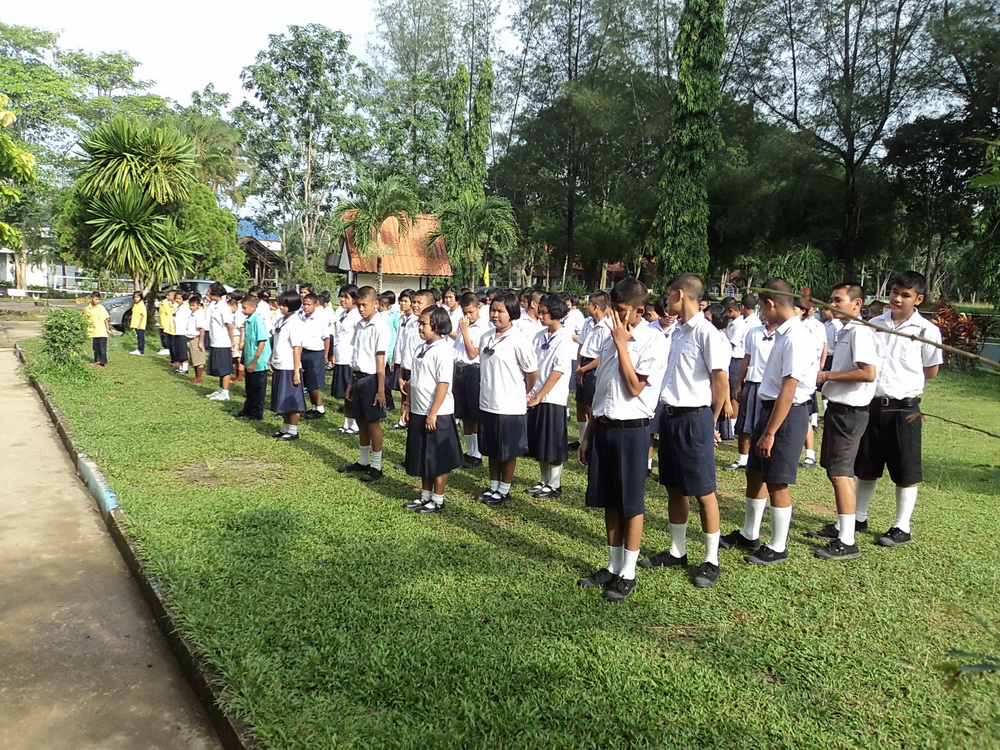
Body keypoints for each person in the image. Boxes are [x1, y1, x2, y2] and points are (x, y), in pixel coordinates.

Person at [810, 270, 942, 548]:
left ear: (918, 299)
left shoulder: (926, 331)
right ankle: (858, 517)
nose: (897, 299)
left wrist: (904, 382)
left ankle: (901, 525)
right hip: (870, 404)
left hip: (903, 406)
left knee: (905, 467)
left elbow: (931, 370)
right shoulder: (873, 325)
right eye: (894, 292)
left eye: (905, 295)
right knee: (866, 465)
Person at [577, 278, 668, 602]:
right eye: (613, 310)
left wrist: (621, 345)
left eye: (620, 310)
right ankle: (613, 565)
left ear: (639, 311)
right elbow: (603, 391)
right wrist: (588, 435)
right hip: (604, 426)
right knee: (609, 500)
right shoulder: (610, 337)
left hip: (632, 430)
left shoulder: (652, 341)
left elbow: (634, 387)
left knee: (630, 503)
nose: (614, 316)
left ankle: (628, 572)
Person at [640, 274, 730, 589]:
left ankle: (711, 559)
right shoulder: (676, 332)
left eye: (669, 295)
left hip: (695, 417)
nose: (666, 301)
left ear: (680, 295)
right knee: (674, 487)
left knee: (703, 491)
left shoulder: (706, 333)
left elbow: (720, 382)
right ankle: (677, 551)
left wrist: (711, 422)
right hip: (670, 417)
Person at [725, 277, 819, 565]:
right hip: (769, 409)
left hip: (786, 414)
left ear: (771, 303)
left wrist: (770, 432)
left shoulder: (796, 337)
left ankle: (778, 545)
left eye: (762, 309)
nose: (762, 315)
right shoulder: (782, 333)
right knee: (755, 472)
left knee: (777, 481)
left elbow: (789, 388)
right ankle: (749, 532)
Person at [805, 282, 879, 561]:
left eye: (838, 300)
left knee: (841, 474)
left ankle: (847, 540)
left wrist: (827, 376)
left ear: (856, 304)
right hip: (839, 410)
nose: (831, 305)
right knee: (835, 471)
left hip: (851, 412)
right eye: (831, 300)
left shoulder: (860, 332)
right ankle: (841, 526)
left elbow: (868, 373)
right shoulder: (845, 330)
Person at [475, 292, 539, 506]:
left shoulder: (519, 340)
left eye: (500, 311)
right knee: (491, 449)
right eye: (493, 310)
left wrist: (524, 391)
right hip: (487, 402)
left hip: (509, 406)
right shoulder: (485, 337)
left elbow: (532, 372)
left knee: (507, 450)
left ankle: (504, 489)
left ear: (511, 313)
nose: (495, 315)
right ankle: (493, 485)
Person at [401, 307, 465, 514]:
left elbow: (443, 384)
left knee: (438, 458)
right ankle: (425, 495)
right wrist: (407, 404)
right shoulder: (421, 348)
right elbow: (414, 380)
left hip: (437, 413)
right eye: (419, 323)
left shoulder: (443, 350)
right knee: (423, 455)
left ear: (437, 325)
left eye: (424, 324)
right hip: (419, 410)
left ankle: (438, 499)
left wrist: (432, 413)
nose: (420, 327)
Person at [338, 286, 394, 482]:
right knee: (360, 420)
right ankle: (363, 461)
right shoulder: (360, 325)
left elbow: (380, 359)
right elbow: (356, 355)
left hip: (372, 379)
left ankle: (376, 465)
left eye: (365, 305)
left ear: (375, 304)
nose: (361, 309)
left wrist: (381, 389)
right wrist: (351, 383)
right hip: (358, 377)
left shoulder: (380, 326)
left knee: (372, 422)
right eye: (359, 305)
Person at [525, 293, 577, 498]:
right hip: (536, 395)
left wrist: (539, 396)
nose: (540, 316)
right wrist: (530, 392)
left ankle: (554, 484)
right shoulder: (539, 336)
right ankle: (544, 480)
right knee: (541, 441)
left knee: (553, 442)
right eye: (540, 312)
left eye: (545, 312)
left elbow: (557, 371)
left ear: (555, 312)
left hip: (553, 398)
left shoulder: (564, 338)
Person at [725, 315, 779, 472]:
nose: (766, 316)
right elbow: (746, 359)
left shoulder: (783, 335)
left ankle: (766, 459)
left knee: (767, 423)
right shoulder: (754, 332)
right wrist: (739, 384)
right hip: (752, 382)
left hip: (772, 385)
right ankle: (743, 459)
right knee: (745, 423)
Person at [454, 290, 491, 467]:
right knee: (464, 414)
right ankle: (469, 451)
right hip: (460, 370)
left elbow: (473, 353)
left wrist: (465, 331)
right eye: (465, 312)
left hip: (473, 370)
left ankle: (477, 453)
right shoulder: (463, 325)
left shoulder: (483, 328)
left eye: (471, 312)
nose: (468, 315)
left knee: (474, 414)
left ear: (478, 308)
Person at [572, 291, 611, 450]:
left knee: (591, 404)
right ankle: (581, 439)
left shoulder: (607, 327)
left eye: (589, 304)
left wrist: (584, 369)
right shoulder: (587, 323)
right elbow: (581, 345)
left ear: (596, 307)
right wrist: (578, 366)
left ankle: (592, 438)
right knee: (580, 404)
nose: (587, 307)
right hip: (583, 364)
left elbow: (603, 355)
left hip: (594, 366)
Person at [269, 291, 306, 441]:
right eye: (280, 304)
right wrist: (271, 359)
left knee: (292, 400)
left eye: (284, 305)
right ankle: (285, 428)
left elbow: (297, 348)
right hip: (279, 364)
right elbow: (277, 342)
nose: (281, 307)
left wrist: (296, 371)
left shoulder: (295, 323)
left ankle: (293, 431)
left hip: (290, 367)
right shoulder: (280, 320)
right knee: (282, 399)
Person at [796, 296, 828, 468]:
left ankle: (810, 454)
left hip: (806, 375)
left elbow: (823, 346)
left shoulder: (817, 326)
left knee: (805, 415)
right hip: (793, 375)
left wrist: (820, 366)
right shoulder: (793, 326)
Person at [234, 294, 272, 421]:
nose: (242, 310)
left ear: (253, 307)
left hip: (258, 362)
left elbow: (262, 342)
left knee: (257, 389)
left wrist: (254, 361)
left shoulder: (258, 321)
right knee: (249, 388)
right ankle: (247, 410)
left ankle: (256, 413)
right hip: (249, 360)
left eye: (244, 308)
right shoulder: (249, 320)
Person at [331, 284, 362, 435]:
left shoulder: (357, 316)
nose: (342, 300)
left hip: (350, 358)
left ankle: (355, 424)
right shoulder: (342, 313)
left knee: (352, 394)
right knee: (345, 394)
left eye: (346, 297)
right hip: (341, 357)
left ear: (354, 299)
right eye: (341, 296)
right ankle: (347, 422)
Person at [299, 293, 330, 419]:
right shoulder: (302, 318)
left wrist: (325, 355)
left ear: (315, 305)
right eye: (304, 304)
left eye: (308, 304)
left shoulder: (320, 319)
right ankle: (313, 407)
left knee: (314, 383)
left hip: (316, 353)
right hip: (304, 352)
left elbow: (326, 338)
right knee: (307, 382)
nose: (306, 307)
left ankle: (320, 408)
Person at [205, 283, 236, 401]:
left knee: (224, 368)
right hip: (215, 340)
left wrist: (232, 341)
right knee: (219, 367)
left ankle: (225, 392)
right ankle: (220, 390)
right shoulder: (215, 305)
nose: (208, 293)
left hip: (223, 342)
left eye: (209, 291)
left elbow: (229, 325)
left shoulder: (224, 307)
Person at [185, 293, 208, 385]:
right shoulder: (192, 314)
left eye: (193, 305)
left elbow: (202, 329)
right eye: (190, 305)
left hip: (196, 338)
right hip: (190, 338)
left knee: (199, 360)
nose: (191, 307)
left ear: (198, 305)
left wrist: (200, 342)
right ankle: (196, 376)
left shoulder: (199, 314)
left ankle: (199, 377)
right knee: (194, 359)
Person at [85, 291, 111, 367]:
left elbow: (106, 319)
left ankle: (100, 361)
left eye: (99, 299)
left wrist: (107, 329)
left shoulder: (101, 308)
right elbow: (85, 319)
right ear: (91, 299)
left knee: (102, 348)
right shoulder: (87, 309)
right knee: (96, 347)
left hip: (101, 331)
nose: (98, 301)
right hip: (94, 331)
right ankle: (99, 360)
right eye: (96, 299)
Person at [173, 291, 192, 374]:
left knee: (183, 351)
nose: (177, 300)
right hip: (177, 331)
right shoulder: (178, 308)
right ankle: (181, 366)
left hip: (183, 332)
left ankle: (185, 368)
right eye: (176, 298)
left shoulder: (185, 309)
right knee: (179, 351)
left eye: (179, 298)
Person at [158, 290, 176, 359]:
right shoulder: (163, 303)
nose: (167, 296)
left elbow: (169, 314)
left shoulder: (165, 304)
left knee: (166, 338)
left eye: (169, 295)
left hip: (166, 324)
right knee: (163, 337)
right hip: (162, 323)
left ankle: (167, 348)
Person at [128, 291, 147, 355]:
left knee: (140, 337)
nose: (136, 298)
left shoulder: (141, 305)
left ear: (141, 297)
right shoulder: (136, 304)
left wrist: (139, 324)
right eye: (135, 297)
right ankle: (139, 349)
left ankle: (141, 350)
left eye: (137, 297)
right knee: (138, 337)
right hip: (136, 323)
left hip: (140, 324)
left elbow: (142, 315)